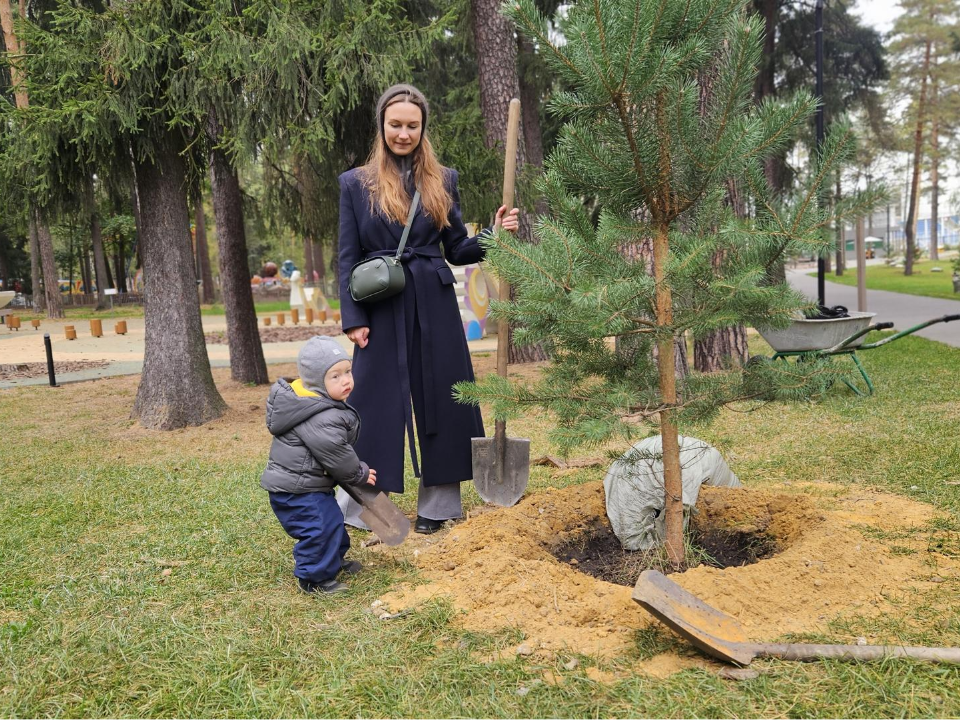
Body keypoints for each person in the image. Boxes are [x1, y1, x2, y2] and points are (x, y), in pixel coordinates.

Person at [337, 83, 519, 534]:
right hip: (380, 305)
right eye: (395, 124)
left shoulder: (443, 179)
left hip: (435, 302)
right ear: (382, 126)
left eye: (412, 126)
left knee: (443, 396)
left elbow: (456, 248)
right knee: (372, 402)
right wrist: (353, 319)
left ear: (423, 128)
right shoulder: (355, 184)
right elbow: (347, 256)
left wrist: (493, 235)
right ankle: (364, 506)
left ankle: (438, 505)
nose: (403, 133)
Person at [260, 336, 376, 594]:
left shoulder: (317, 404)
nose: (346, 380)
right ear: (316, 381)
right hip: (296, 491)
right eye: (335, 376)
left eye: (347, 371)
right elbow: (337, 454)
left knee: (332, 521)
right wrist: (359, 473)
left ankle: (331, 561)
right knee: (320, 527)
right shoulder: (320, 415)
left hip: (307, 485)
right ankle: (313, 578)